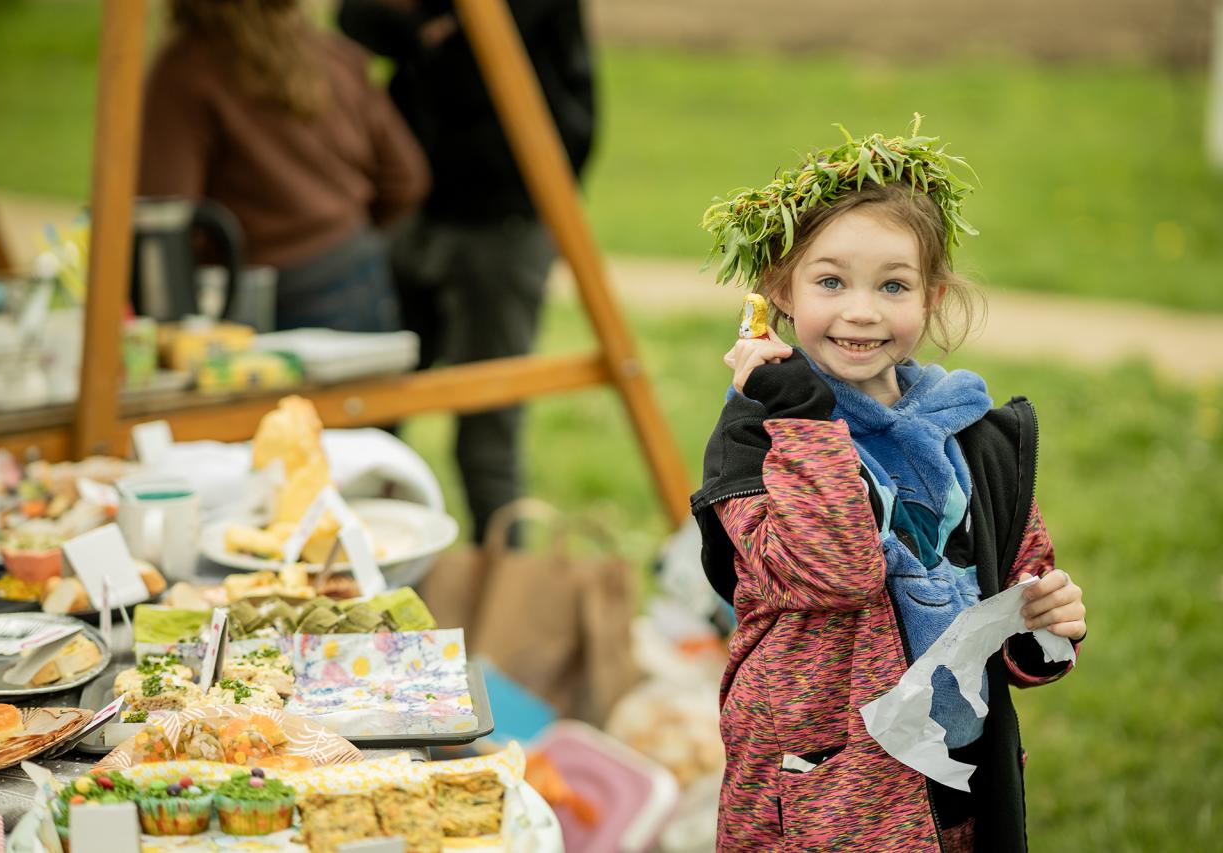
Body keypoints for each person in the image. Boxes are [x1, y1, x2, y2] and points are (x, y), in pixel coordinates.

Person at [690, 118, 1088, 851]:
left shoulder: (973, 437)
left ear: (931, 297)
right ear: (780, 289)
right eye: (831, 281)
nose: (862, 310)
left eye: (893, 285)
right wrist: (802, 415)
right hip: (822, 798)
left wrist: (1046, 625)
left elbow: (1011, 587)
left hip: (956, 789)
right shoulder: (757, 440)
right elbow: (834, 571)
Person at [337, 0, 595, 542]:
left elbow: (501, 32)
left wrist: (439, 30)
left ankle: (503, 576)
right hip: (413, 203)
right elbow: (356, 18)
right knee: (370, 412)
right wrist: (424, 29)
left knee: (487, 430)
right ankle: (358, 564)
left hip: (506, 211)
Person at [139, 0, 431, 332]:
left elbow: (162, 211)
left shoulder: (185, 70)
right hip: (355, 271)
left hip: (258, 290)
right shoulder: (332, 53)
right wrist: (341, 228)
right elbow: (406, 178)